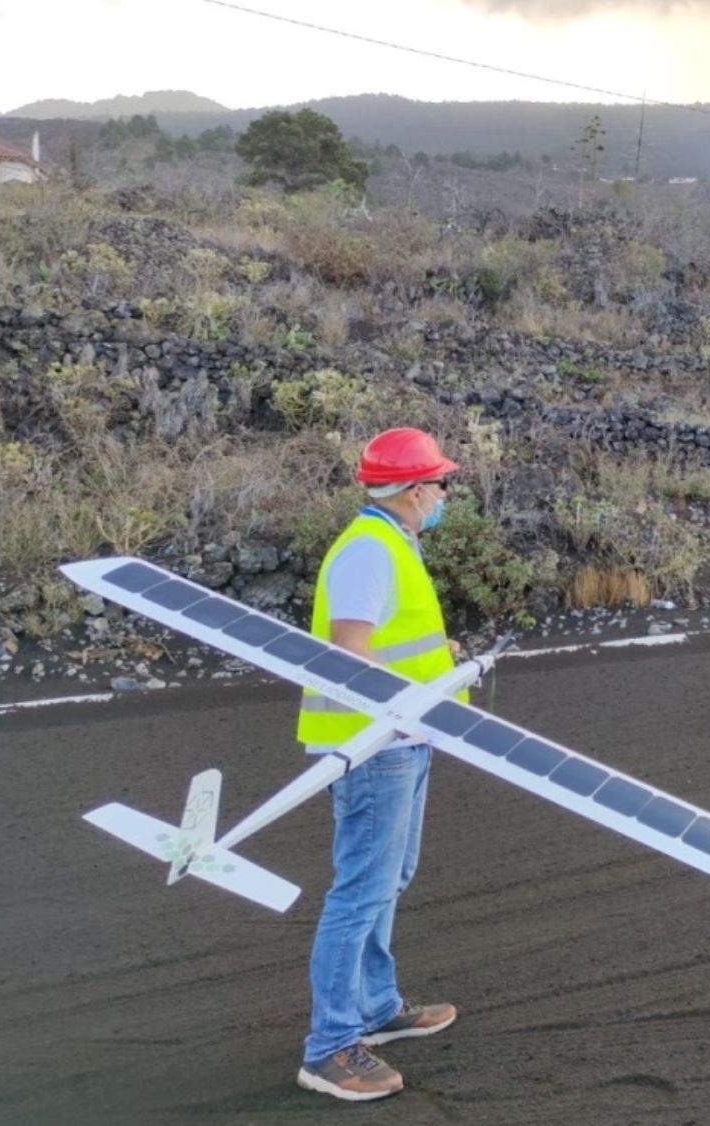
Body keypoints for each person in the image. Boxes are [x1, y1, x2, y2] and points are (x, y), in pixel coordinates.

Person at [294, 428, 464, 1102]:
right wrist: (409, 696)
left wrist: (436, 661)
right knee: (360, 890)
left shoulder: (394, 542)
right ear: (415, 489)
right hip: (373, 745)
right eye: (440, 483)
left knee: (390, 877)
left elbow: (393, 644)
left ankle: (376, 1009)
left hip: (404, 737)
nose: (445, 494)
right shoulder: (367, 549)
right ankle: (330, 1048)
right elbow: (350, 653)